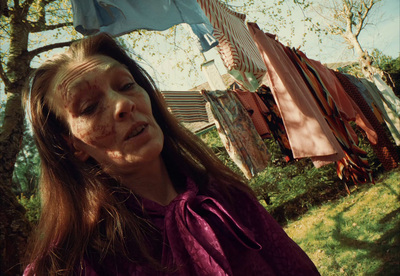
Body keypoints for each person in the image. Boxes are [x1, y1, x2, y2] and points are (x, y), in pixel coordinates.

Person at [23, 33, 320, 275]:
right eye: (88, 106)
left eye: (127, 85)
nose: (122, 104)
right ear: (71, 144)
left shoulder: (229, 197)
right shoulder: (70, 265)